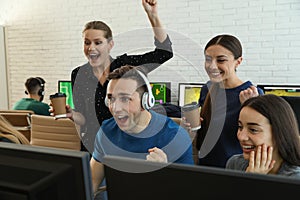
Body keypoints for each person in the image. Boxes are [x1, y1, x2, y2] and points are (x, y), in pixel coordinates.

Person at [65, 0, 173, 153]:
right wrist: (72, 115)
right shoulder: (78, 74)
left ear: (110, 45)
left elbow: (164, 53)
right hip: (93, 145)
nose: (91, 48)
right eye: (87, 42)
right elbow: (84, 118)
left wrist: (152, 15)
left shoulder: (125, 67)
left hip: (125, 145)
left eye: (98, 42)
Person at [90, 65, 194, 197]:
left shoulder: (175, 137)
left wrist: (165, 175)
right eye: (111, 98)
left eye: (125, 99)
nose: (115, 108)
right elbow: (92, 182)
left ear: (146, 101)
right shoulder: (106, 131)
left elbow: (187, 193)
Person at [192, 34, 264, 168]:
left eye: (221, 60)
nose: (212, 66)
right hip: (205, 166)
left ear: (238, 61)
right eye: (208, 59)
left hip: (235, 170)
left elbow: (259, 139)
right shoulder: (207, 89)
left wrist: (249, 107)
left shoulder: (252, 94)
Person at [226, 94, 300, 177]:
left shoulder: (295, 177)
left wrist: (251, 181)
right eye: (240, 127)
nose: (241, 137)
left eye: (253, 130)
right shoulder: (235, 164)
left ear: (278, 134)